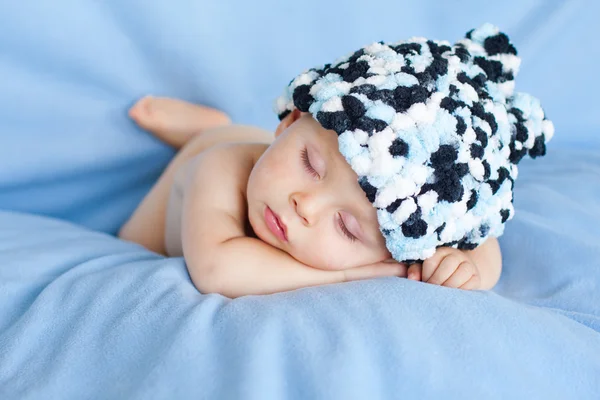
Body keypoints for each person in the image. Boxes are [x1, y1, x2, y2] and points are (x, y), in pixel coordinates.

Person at [119, 24, 552, 298]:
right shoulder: (220, 170)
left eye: (347, 226)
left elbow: (478, 240)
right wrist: (354, 275)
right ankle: (207, 129)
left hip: (266, 148)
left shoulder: (402, 205)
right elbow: (217, 270)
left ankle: (225, 125)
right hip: (195, 173)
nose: (304, 205)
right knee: (130, 240)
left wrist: (466, 266)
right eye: (309, 164)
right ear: (290, 121)